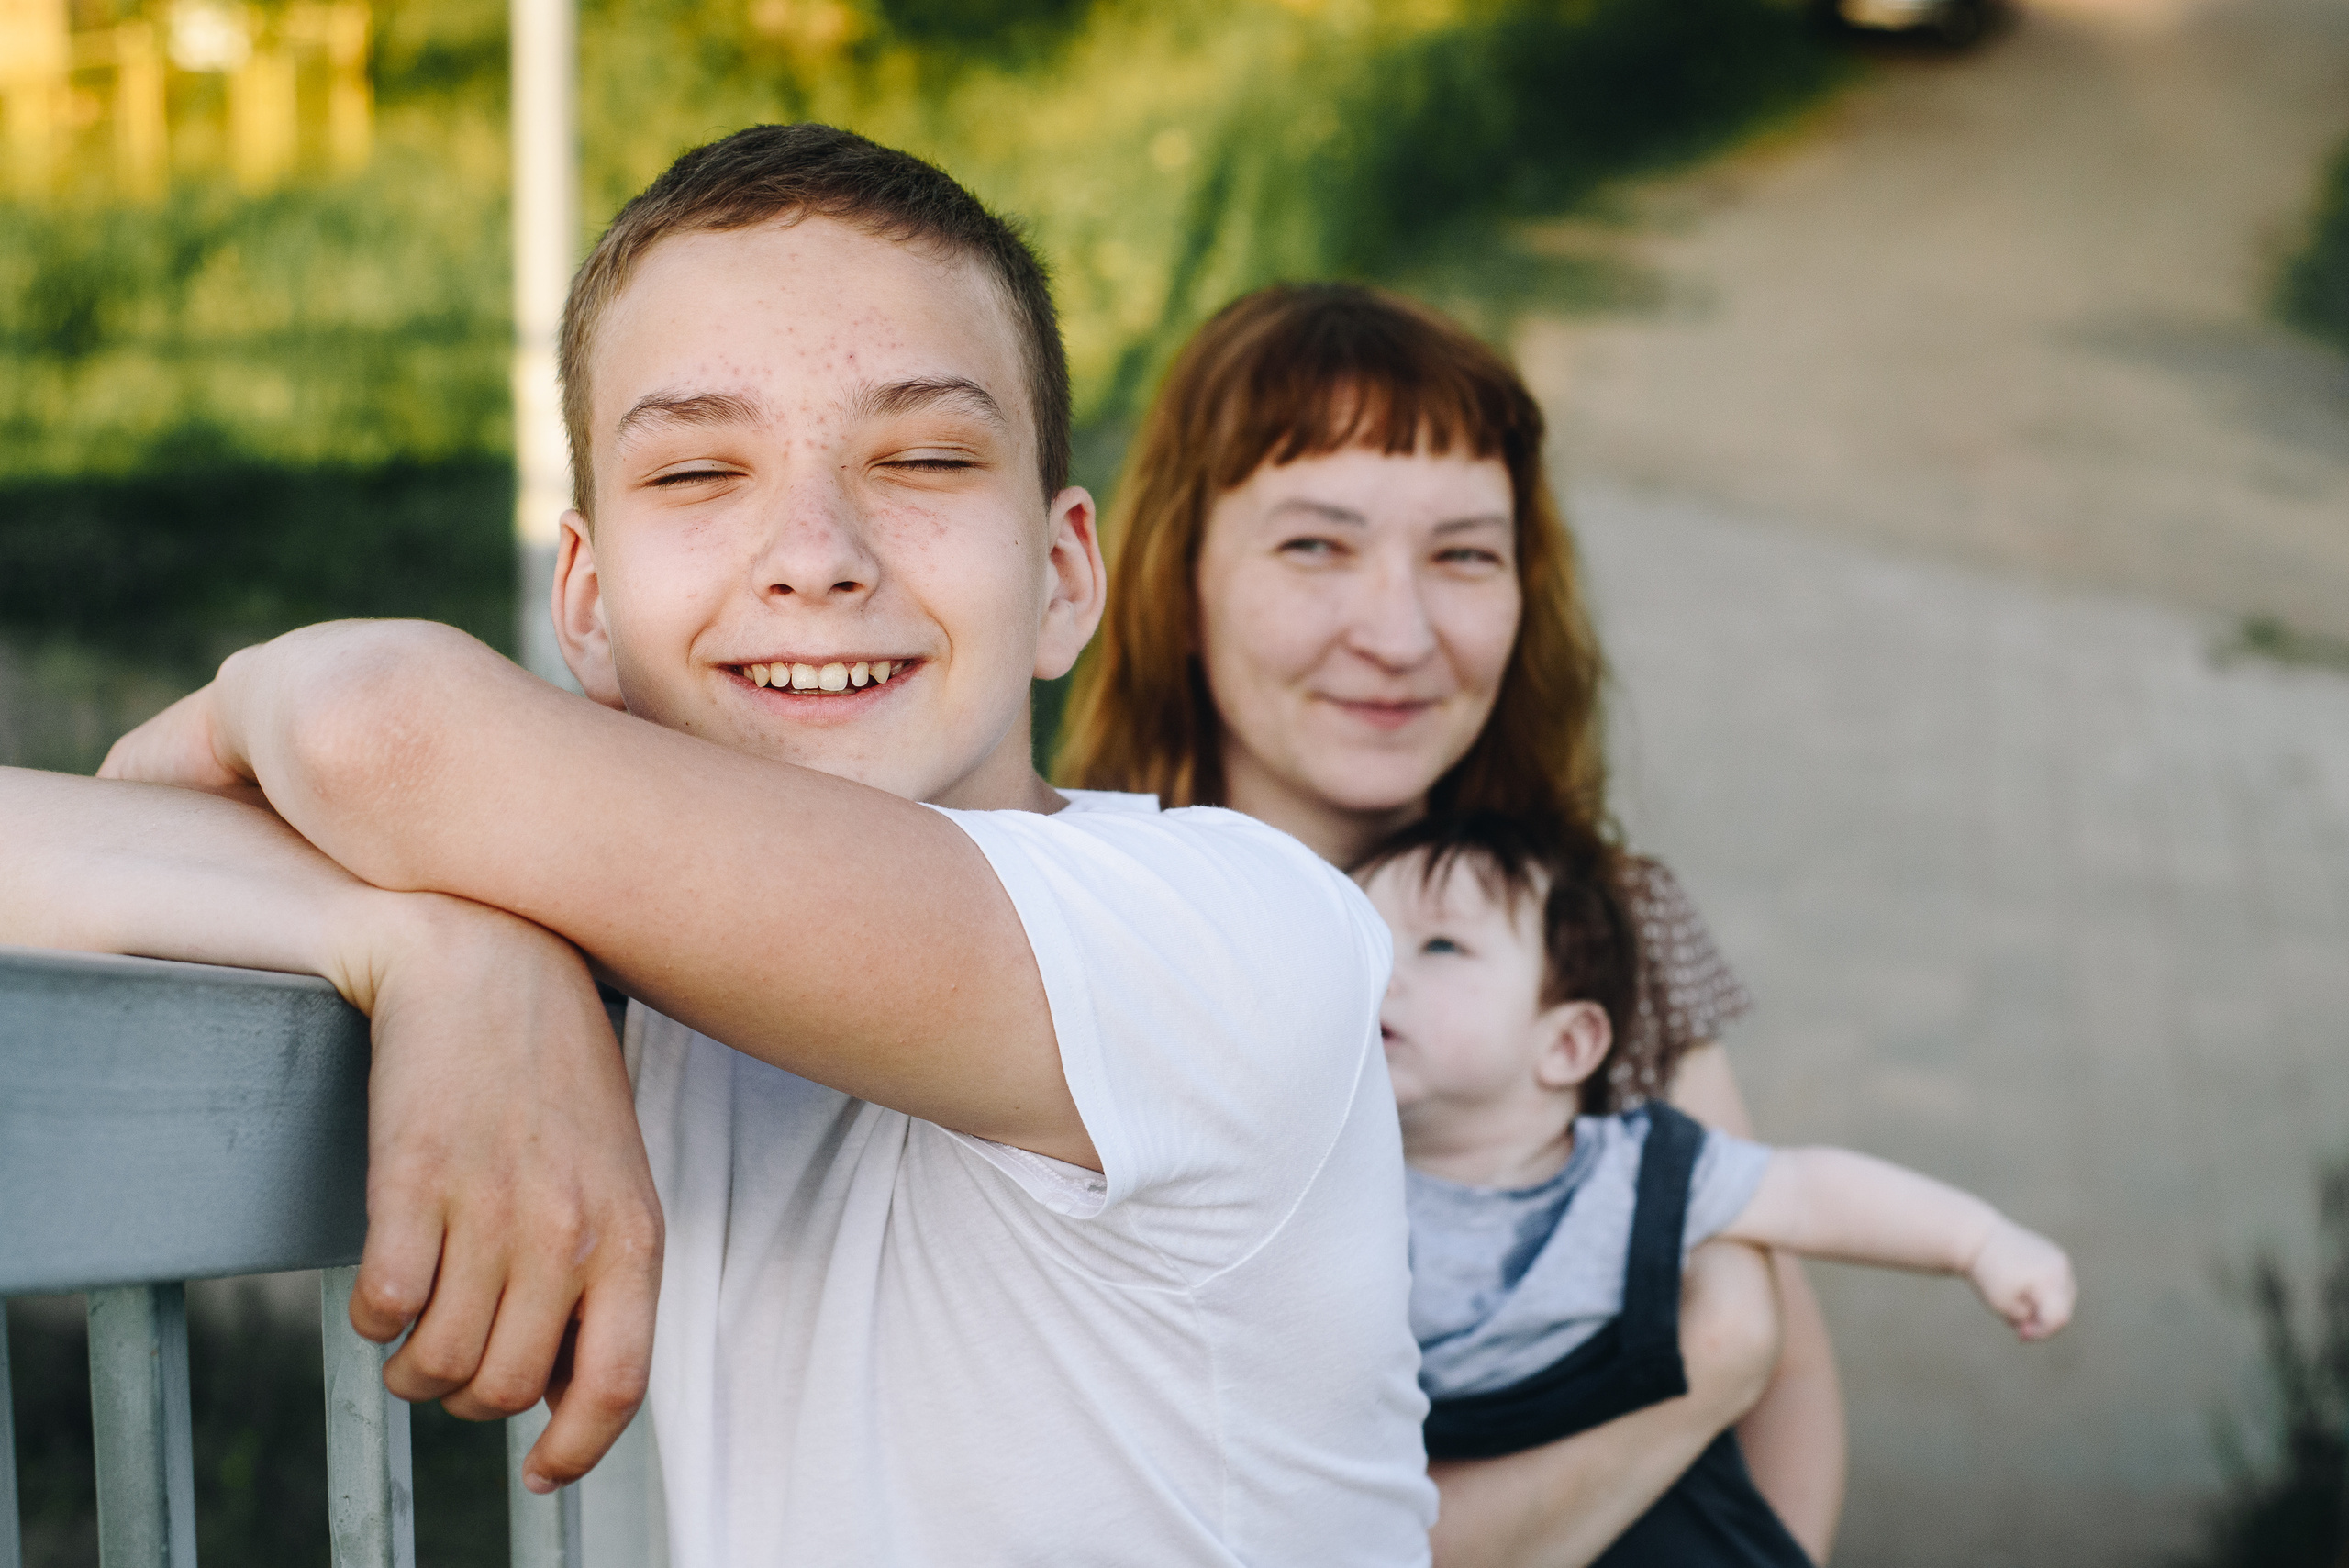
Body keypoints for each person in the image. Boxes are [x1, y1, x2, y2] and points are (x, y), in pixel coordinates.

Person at [3, 125, 1441, 1564]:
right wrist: (434, 940)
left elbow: (381, 729)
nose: (816, 553)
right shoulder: (610, 929)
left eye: (924, 457)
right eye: (698, 473)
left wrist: (262, 701)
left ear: (1063, 577)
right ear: (587, 606)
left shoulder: (1233, 936)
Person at [1056, 280, 1852, 1562]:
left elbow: (1788, 1377)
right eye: (1315, 547)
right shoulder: (1078, 944)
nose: (1399, 632)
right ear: (1178, 582)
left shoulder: (1607, 918)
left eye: (1465, 555)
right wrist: (1707, 1361)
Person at [1360, 810, 2073, 1564]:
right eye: (1362, 938)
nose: (1379, 971)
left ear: (1566, 1042)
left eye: (1441, 945)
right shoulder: (1333, 1188)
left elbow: (1806, 1191)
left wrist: (1979, 1239)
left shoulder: (1640, 1173)